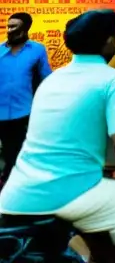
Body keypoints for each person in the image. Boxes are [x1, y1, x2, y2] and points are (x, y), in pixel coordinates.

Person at [0, 10, 115, 263]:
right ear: (110, 41)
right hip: (69, 194)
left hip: (17, 193)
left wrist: (110, 170)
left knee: (103, 237)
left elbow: (64, 146)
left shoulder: (52, 81)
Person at [0, 12, 51, 184]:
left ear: (26, 28)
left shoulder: (37, 50)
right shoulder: (0, 50)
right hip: (0, 111)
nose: (9, 30)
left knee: (21, 150)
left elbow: (46, 79)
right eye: (8, 26)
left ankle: (14, 181)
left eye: (14, 26)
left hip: (24, 111)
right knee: (8, 150)